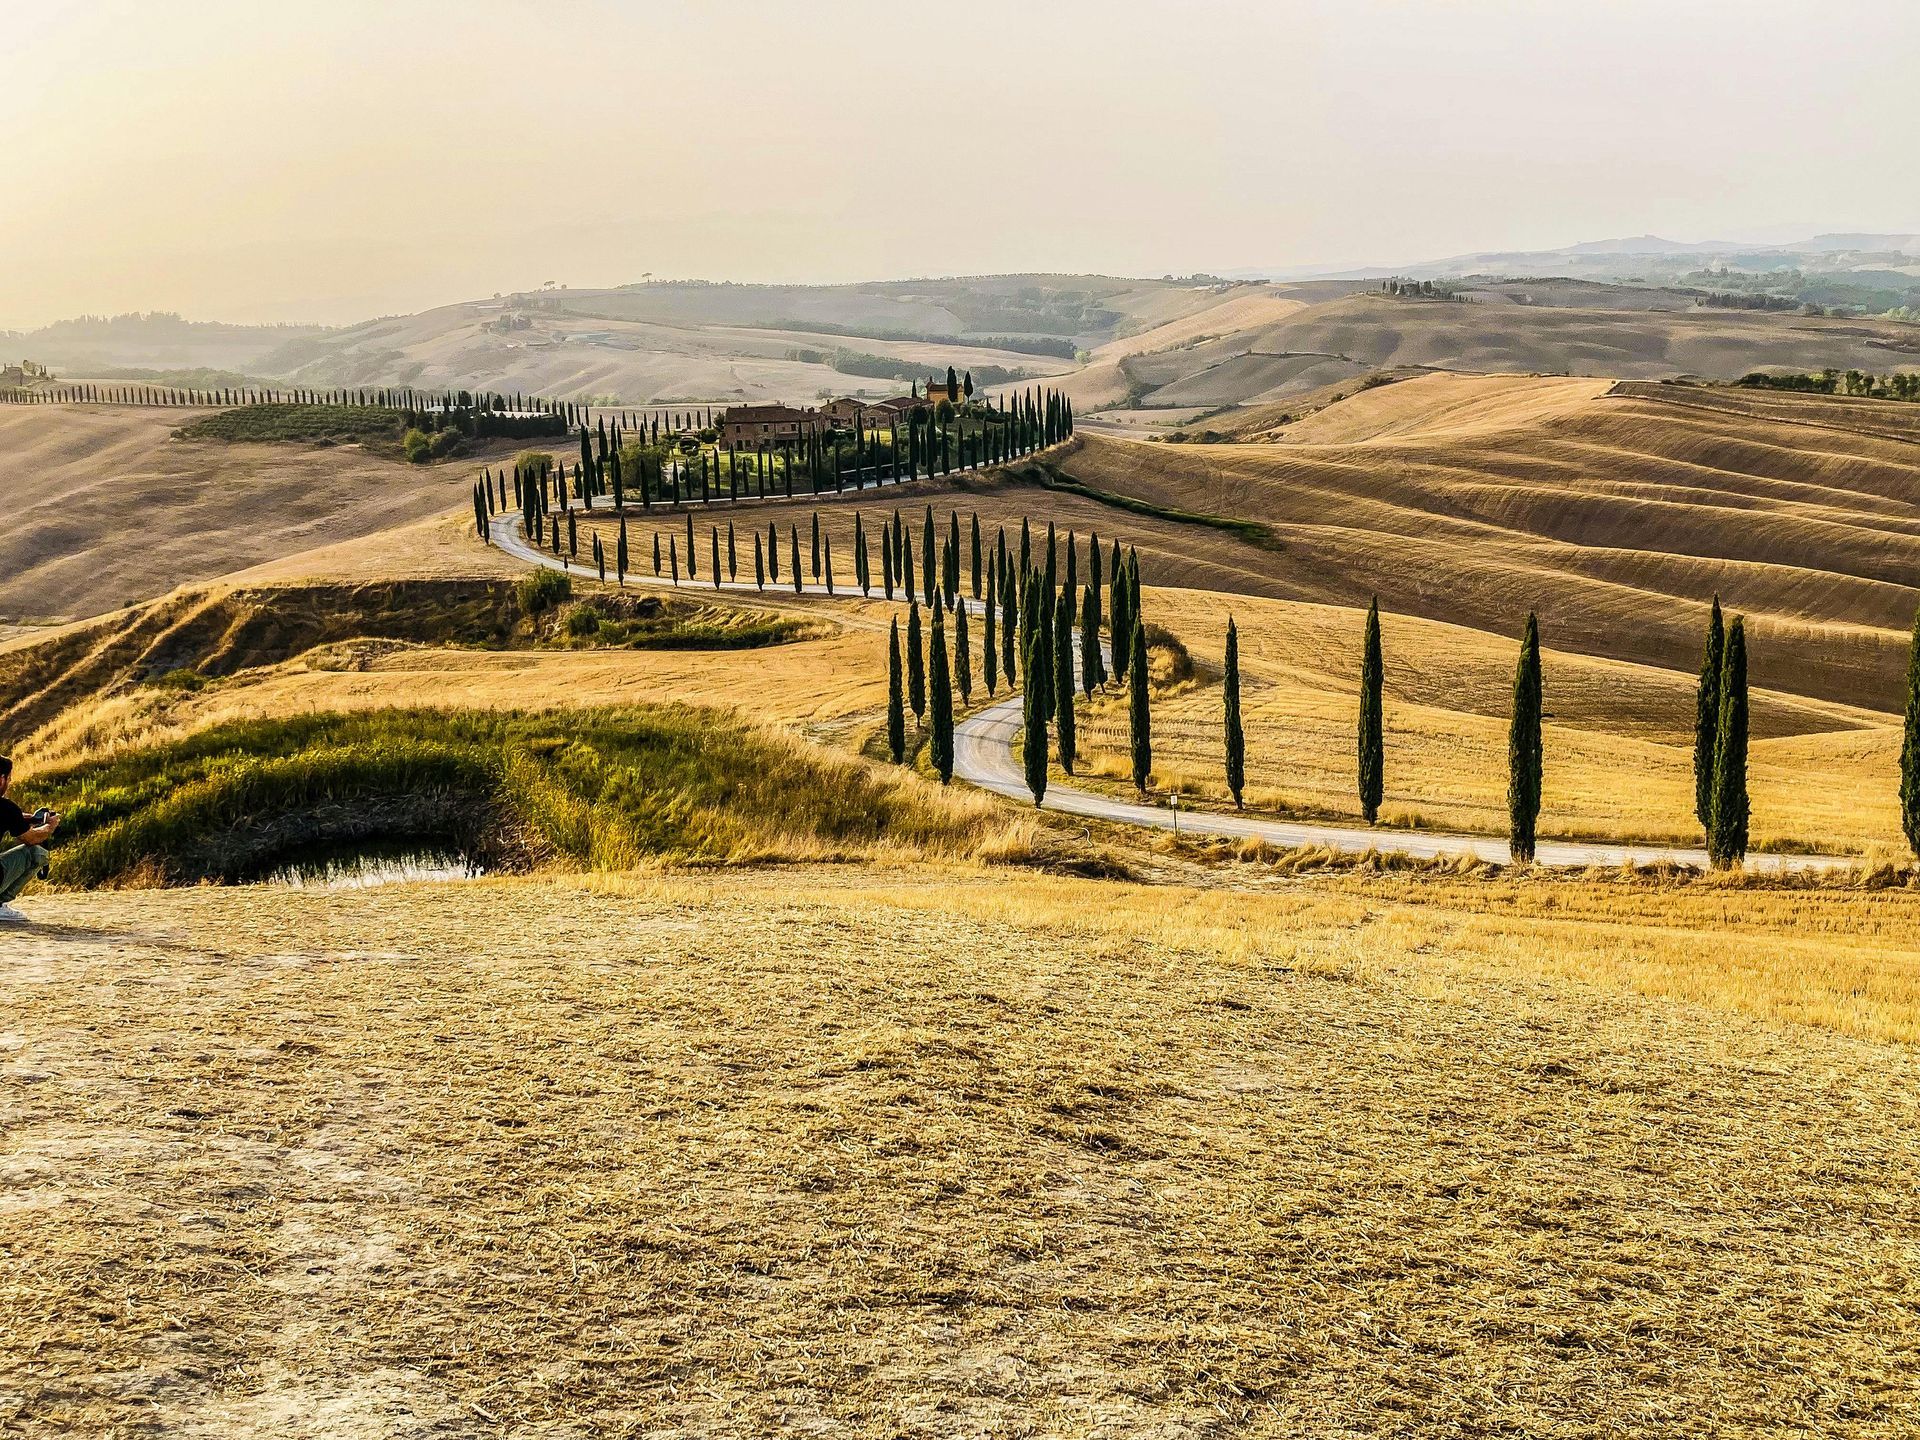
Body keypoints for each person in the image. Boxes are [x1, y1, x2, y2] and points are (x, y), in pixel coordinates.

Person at [0, 756, 59, 921]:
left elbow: (11, 817)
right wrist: (50, 826)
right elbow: (31, 839)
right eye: (9, 778)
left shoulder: (7, 811)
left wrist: (33, 818)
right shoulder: (6, 807)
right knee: (37, 853)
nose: (9, 783)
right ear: (1, 778)